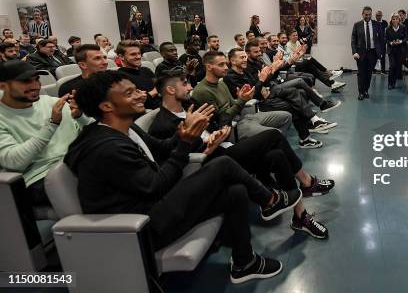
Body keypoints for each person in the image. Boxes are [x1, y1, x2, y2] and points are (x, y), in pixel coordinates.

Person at [66, 70, 293, 284]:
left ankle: (245, 263)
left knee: (236, 192)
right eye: (129, 93)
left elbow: (163, 147)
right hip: (140, 228)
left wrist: (185, 130)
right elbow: (154, 186)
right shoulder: (106, 148)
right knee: (223, 164)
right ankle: (271, 200)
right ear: (106, 105)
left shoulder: (125, 128)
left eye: (136, 89)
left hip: (153, 207)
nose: (141, 94)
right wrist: (184, 143)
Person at [150, 70, 332, 239]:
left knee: (276, 155)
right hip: (212, 165)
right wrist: (208, 146)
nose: (190, 87)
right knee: (273, 136)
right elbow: (177, 162)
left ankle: (300, 216)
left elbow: (221, 119)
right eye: (184, 84)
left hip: (225, 148)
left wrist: (221, 128)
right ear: (170, 89)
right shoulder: (162, 124)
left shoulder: (191, 105)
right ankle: (307, 182)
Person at [0, 61, 89, 205]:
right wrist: (52, 124)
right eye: (25, 81)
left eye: (36, 79)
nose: (35, 85)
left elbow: (91, 133)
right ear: (2, 85)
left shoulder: (52, 102)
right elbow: (14, 161)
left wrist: (80, 117)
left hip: (77, 161)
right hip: (39, 177)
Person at [224, 48, 329, 149]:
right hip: (254, 106)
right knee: (294, 105)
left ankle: (308, 132)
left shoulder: (245, 70)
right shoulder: (231, 77)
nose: (245, 59)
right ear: (233, 61)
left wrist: (270, 73)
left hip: (266, 97)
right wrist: (261, 81)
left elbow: (261, 84)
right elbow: (253, 94)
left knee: (296, 99)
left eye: (245, 57)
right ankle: (308, 133)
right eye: (241, 57)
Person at [191, 51, 293, 140]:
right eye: (221, 65)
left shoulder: (221, 83)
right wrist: (242, 100)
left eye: (226, 64)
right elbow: (222, 120)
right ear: (209, 67)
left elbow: (233, 105)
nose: (226, 68)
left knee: (286, 116)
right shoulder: (202, 91)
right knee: (276, 134)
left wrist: (241, 98)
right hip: (233, 126)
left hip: (243, 117)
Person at [270, 33, 345, 92]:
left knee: (311, 66)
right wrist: (298, 54)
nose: (284, 39)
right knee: (309, 61)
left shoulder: (285, 47)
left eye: (285, 38)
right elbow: (287, 61)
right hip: (288, 69)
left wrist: (299, 53)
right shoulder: (276, 50)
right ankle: (329, 75)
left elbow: (292, 57)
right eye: (282, 38)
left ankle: (331, 82)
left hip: (292, 65)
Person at [351, 6, 384, 100]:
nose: (368, 16)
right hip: (361, 53)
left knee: (369, 73)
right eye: (366, 14)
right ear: (362, 14)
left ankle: (366, 90)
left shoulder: (376, 24)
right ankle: (360, 92)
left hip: (373, 53)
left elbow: (381, 39)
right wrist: (354, 52)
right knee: (361, 73)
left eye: (369, 14)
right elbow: (353, 40)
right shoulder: (357, 25)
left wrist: (380, 52)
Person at [116, 40, 159, 109]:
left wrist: (152, 93)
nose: (138, 57)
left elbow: (161, 87)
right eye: (133, 54)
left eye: (139, 53)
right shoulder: (120, 76)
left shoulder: (146, 70)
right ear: (121, 57)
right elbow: (137, 102)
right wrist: (154, 92)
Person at [385, 13, 408, 89]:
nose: (395, 20)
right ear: (391, 20)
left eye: (396, 19)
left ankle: (393, 83)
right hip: (391, 50)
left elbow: (406, 38)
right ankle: (389, 84)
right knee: (392, 66)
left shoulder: (403, 27)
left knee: (397, 67)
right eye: (393, 19)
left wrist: (400, 41)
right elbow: (386, 39)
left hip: (400, 50)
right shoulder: (388, 28)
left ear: (399, 20)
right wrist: (391, 42)